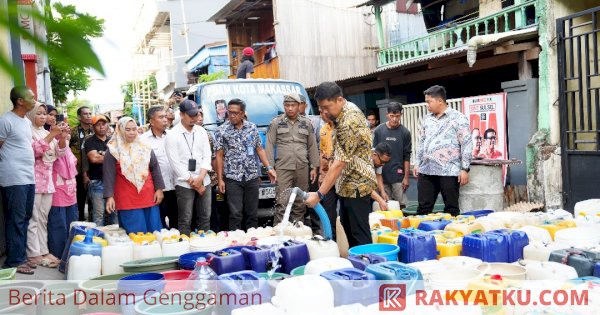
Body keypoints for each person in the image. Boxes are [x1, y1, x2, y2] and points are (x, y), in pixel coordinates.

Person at [305, 82, 377, 247]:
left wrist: (319, 194)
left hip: (357, 184)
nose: (324, 112)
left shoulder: (349, 121)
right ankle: (358, 262)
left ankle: (368, 264)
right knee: (348, 225)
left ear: (339, 100)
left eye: (327, 107)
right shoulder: (342, 113)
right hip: (347, 183)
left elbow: (339, 163)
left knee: (359, 232)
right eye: (320, 108)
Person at [215, 98, 277, 230]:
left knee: (252, 214)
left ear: (243, 113)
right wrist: (220, 179)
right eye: (229, 112)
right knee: (235, 214)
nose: (231, 115)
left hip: (251, 177)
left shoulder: (252, 127)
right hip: (232, 178)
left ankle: (252, 241)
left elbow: (259, 149)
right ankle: (236, 243)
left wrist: (269, 168)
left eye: (235, 113)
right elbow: (219, 155)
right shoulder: (221, 131)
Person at [413, 85, 472, 217]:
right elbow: (422, 142)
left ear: (440, 101)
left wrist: (465, 168)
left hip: (449, 171)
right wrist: (417, 162)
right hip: (426, 170)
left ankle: (452, 235)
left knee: (451, 209)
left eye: (429, 102)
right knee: (423, 209)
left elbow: (466, 143)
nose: (427, 105)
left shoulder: (458, 118)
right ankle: (421, 237)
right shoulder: (427, 119)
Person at [26, 102, 69, 268]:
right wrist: (53, 135)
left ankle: (43, 251)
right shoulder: (28, 132)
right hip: (34, 181)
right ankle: (33, 253)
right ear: (31, 115)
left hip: (48, 182)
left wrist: (63, 138)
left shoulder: (46, 132)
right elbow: (35, 151)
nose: (43, 116)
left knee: (43, 219)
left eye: (45, 113)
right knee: (33, 219)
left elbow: (60, 153)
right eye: (39, 113)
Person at [103, 117, 165, 234]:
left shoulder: (145, 147)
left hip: (149, 196)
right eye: (127, 129)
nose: (132, 132)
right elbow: (108, 175)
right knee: (135, 235)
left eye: (134, 129)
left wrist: (159, 189)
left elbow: (155, 168)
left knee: (155, 233)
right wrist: (109, 197)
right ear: (120, 130)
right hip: (127, 199)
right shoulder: (112, 150)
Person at [0, 86, 38, 274]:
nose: (35, 99)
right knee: (15, 219)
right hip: (13, 178)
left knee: (24, 218)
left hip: (27, 177)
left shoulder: (24, 122)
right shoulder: (6, 120)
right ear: (20, 101)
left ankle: (20, 257)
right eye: (31, 97)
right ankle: (14, 261)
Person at [266, 93, 319, 225]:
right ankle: (279, 232)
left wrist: (314, 167)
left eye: (293, 105)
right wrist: (270, 167)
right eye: (287, 105)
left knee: (300, 204)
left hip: (302, 167)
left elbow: (312, 145)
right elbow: (269, 145)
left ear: (299, 106)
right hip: (283, 168)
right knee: (282, 203)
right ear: (284, 106)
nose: (290, 108)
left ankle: (297, 233)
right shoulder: (276, 123)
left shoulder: (306, 123)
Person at [165, 100, 212, 235]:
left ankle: (204, 246)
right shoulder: (172, 135)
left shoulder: (201, 131)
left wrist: (201, 178)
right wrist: (195, 183)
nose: (194, 118)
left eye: (196, 115)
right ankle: (186, 249)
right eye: (190, 115)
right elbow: (175, 164)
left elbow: (207, 155)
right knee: (185, 219)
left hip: (204, 179)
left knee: (205, 218)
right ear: (181, 114)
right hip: (184, 183)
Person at [141, 106, 178, 229]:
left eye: (165, 116)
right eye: (161, 117)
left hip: (177, 186)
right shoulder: (143, 141)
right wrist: (157, 188)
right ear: (151, 121)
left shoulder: (174, 136)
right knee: (159, 225)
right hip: (158, 190)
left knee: (178, 223)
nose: (165, 120)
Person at [47, 118, 78, 260]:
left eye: (66, 126)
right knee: (59, 226)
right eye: (61, 126)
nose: (65, 129)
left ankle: (70, 254)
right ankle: (58, 255)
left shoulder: (67, 145)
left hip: (71, 192)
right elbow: (60, 151)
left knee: (71, 224)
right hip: (58, 192)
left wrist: (64, 138)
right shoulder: (51, 143)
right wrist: (62, 138)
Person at [372, 103, 412, 208]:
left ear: (401, 115)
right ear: (387, 115)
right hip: (381, 176)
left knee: (401, 205)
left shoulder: (405, 132)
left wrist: (406, 177)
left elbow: (407, 156)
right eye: (391, 116)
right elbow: (374, 153)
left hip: (398, 175)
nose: (394, 119)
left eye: (397, 116)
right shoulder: (379, 130)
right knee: (385, 204)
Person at [84, 115, 117, 226]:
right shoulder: (89, 141)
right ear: (93, 127)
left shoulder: (113, 141)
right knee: (99, 214)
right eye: (98, 125)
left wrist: (102, 155)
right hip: (97, 181)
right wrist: (113, 157)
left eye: (104, 124)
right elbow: (94, 158)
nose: (102, 127)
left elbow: (121, 157)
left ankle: (116, 239)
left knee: (115, 213)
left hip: (113, 182)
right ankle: (98, 239)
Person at [69, 106, 94, 220]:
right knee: (80, 199)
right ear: (79, 117)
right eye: (85, 114)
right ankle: (79, 222)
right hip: (77, 172)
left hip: (94, 169)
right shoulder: (73, 132)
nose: (89, 116)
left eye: (90, 113)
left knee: (93, 201)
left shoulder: (95, 130)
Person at [316, 111, 338, 239]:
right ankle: (332, 240)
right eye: (319, 112)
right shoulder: (323, 130)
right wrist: (321, 174)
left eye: (324, 112)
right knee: (329, 211)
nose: (321, 115)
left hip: (341, 175)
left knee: (344, 212)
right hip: (327, 176)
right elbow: (322, 153)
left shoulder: (341, 127)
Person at [371, 142, 393, 210]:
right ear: (374, 155)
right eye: (382, 162)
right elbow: (365, 186)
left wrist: (383, 192)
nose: (383, 165)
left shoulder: (379, 160)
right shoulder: (364, 161)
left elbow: (378, 175)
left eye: (386, 162)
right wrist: (380, 200)